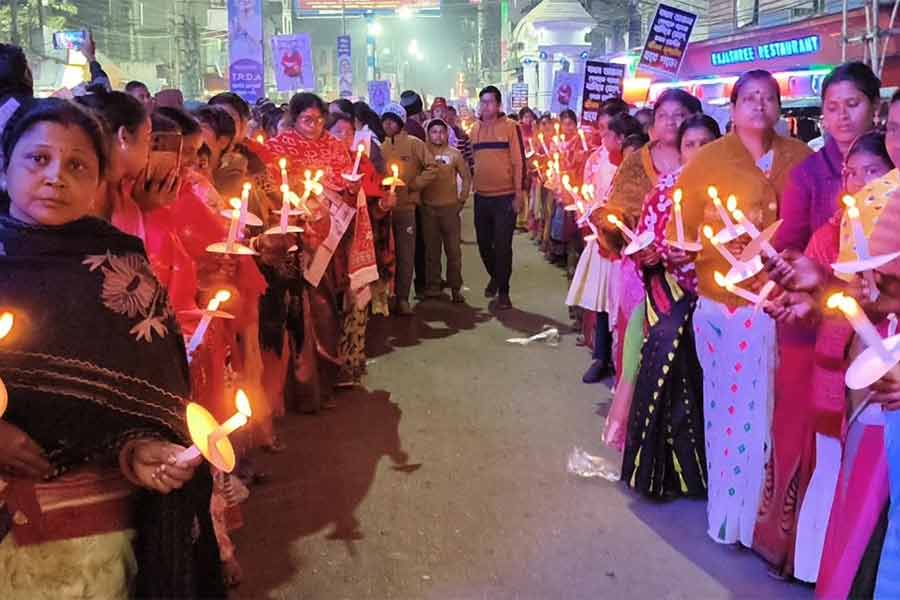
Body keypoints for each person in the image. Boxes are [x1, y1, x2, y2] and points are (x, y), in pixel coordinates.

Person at [0, 97, 223, 599]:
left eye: (77, 165)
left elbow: (153, 401)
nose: (56, 176)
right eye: (38, 159)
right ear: (5, 166)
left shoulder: (122, 271)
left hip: (93, 545)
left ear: (99, 181)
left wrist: (141, 450)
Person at [668, 70, 812, 548]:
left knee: (770, 413)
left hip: (783, 305)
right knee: (729, 411)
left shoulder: (798, 157)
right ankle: (730, 515)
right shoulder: (709, 160)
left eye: (768, 97)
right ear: (731, 108)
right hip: (724, 304)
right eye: (749, 97)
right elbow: (683, 231)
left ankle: (761, 520)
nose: (759, 105)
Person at [754, 61, 882, 580]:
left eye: (853, 105)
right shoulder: (808, 173)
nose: (842, 116)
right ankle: (796, 551)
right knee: (806, 433)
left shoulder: (884, 174)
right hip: (814, 320)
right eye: (832, 107)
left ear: (874, 107)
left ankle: (840, 562)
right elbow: (796, 249)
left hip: (864, 328)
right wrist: (793, 279)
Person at [620, 114, 721, 499]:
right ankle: (679, 474)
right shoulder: (662, 192)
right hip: (671, 298)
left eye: (706, 142)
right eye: (690, 144)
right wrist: (651, 258)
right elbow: (643, 246)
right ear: (679, 151)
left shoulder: (733, 191)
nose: (699, 151)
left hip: (722, 302)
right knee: (674, 388)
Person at [470, 85, 526, 310]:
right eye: (483, 102)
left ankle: (504, 291)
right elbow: (472, 159)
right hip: (481, 197)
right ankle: (496, 275)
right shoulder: (474, 129)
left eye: (490, 102)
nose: (486, 106)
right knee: (484, 245)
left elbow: (518, 162)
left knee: (502, 246)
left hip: (505, 198)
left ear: (499, 105)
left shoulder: (511, 128)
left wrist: (518, 193)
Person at [379, 102, 437, 316]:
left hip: (406, 210)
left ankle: (403, 297)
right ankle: (386, 297)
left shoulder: (414, 144)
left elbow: (432, 167)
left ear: (401, 123)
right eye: (385, 120)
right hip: (383, 211)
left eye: (392, 121)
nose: (388, 124)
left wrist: (415, 186)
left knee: (406, 254)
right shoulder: (380, 147)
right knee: (385, 255)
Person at [422, 118, 472, 303]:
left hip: (450, 209)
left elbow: (466, 177)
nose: (438, 135)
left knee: (453, 252)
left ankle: (455, 287)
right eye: (434, 131)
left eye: (441, 132)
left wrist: (462, 198)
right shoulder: (423, 153)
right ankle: (433, 287)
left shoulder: (455, 154)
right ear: (428, 134)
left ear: (447, 134)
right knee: (432, 252)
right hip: (428, 210)